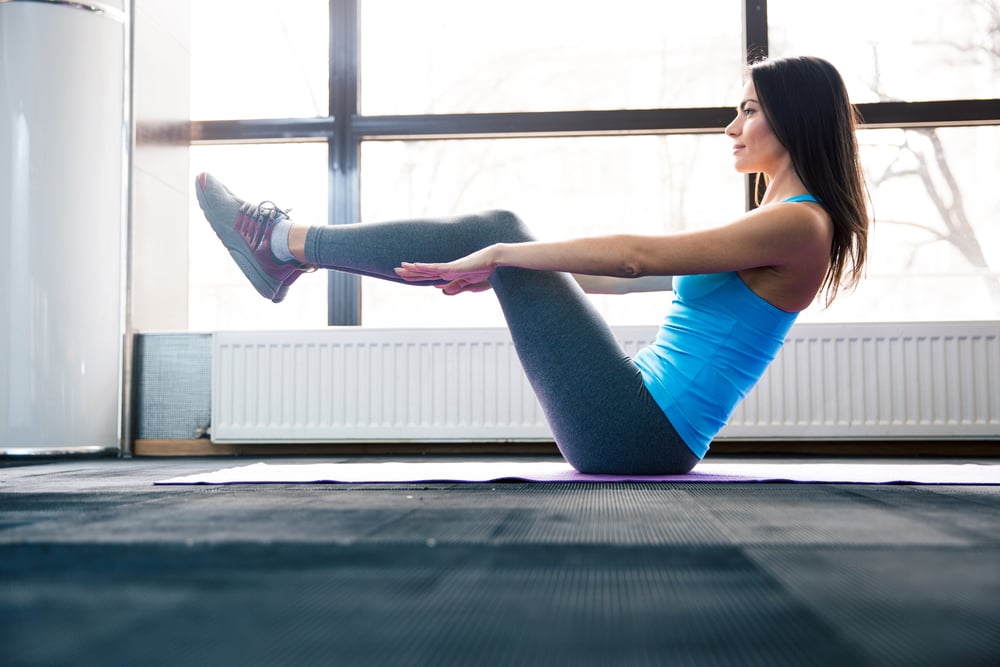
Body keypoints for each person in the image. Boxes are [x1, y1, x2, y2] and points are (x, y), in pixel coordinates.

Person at [195, 55, 869, 475]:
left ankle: (281, 242)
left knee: (499, 230)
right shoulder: (775, 223)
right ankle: (285, 249)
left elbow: (636, 257)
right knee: (506, 241)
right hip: (636, 424)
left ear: (792, 119)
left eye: (747, 110)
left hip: (637, 433)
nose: (731, 127)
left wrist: (503, 254)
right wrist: (511, 272)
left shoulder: (798, 223)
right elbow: (608, 276)